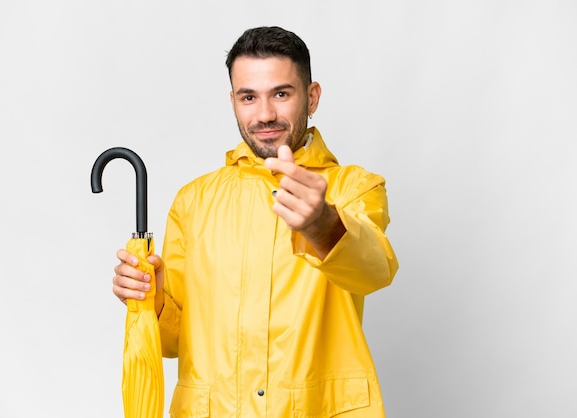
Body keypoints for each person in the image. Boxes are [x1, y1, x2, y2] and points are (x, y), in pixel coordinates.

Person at [113, 26, 398, 417]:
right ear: (233, 101)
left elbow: (374, 271)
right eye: (249, 97)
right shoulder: (193, 201)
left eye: (281, 94)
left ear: (311, 97)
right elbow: (174, 342)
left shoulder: (354, 187)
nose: (265, 114)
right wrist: (156, 300)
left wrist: (323, 224)